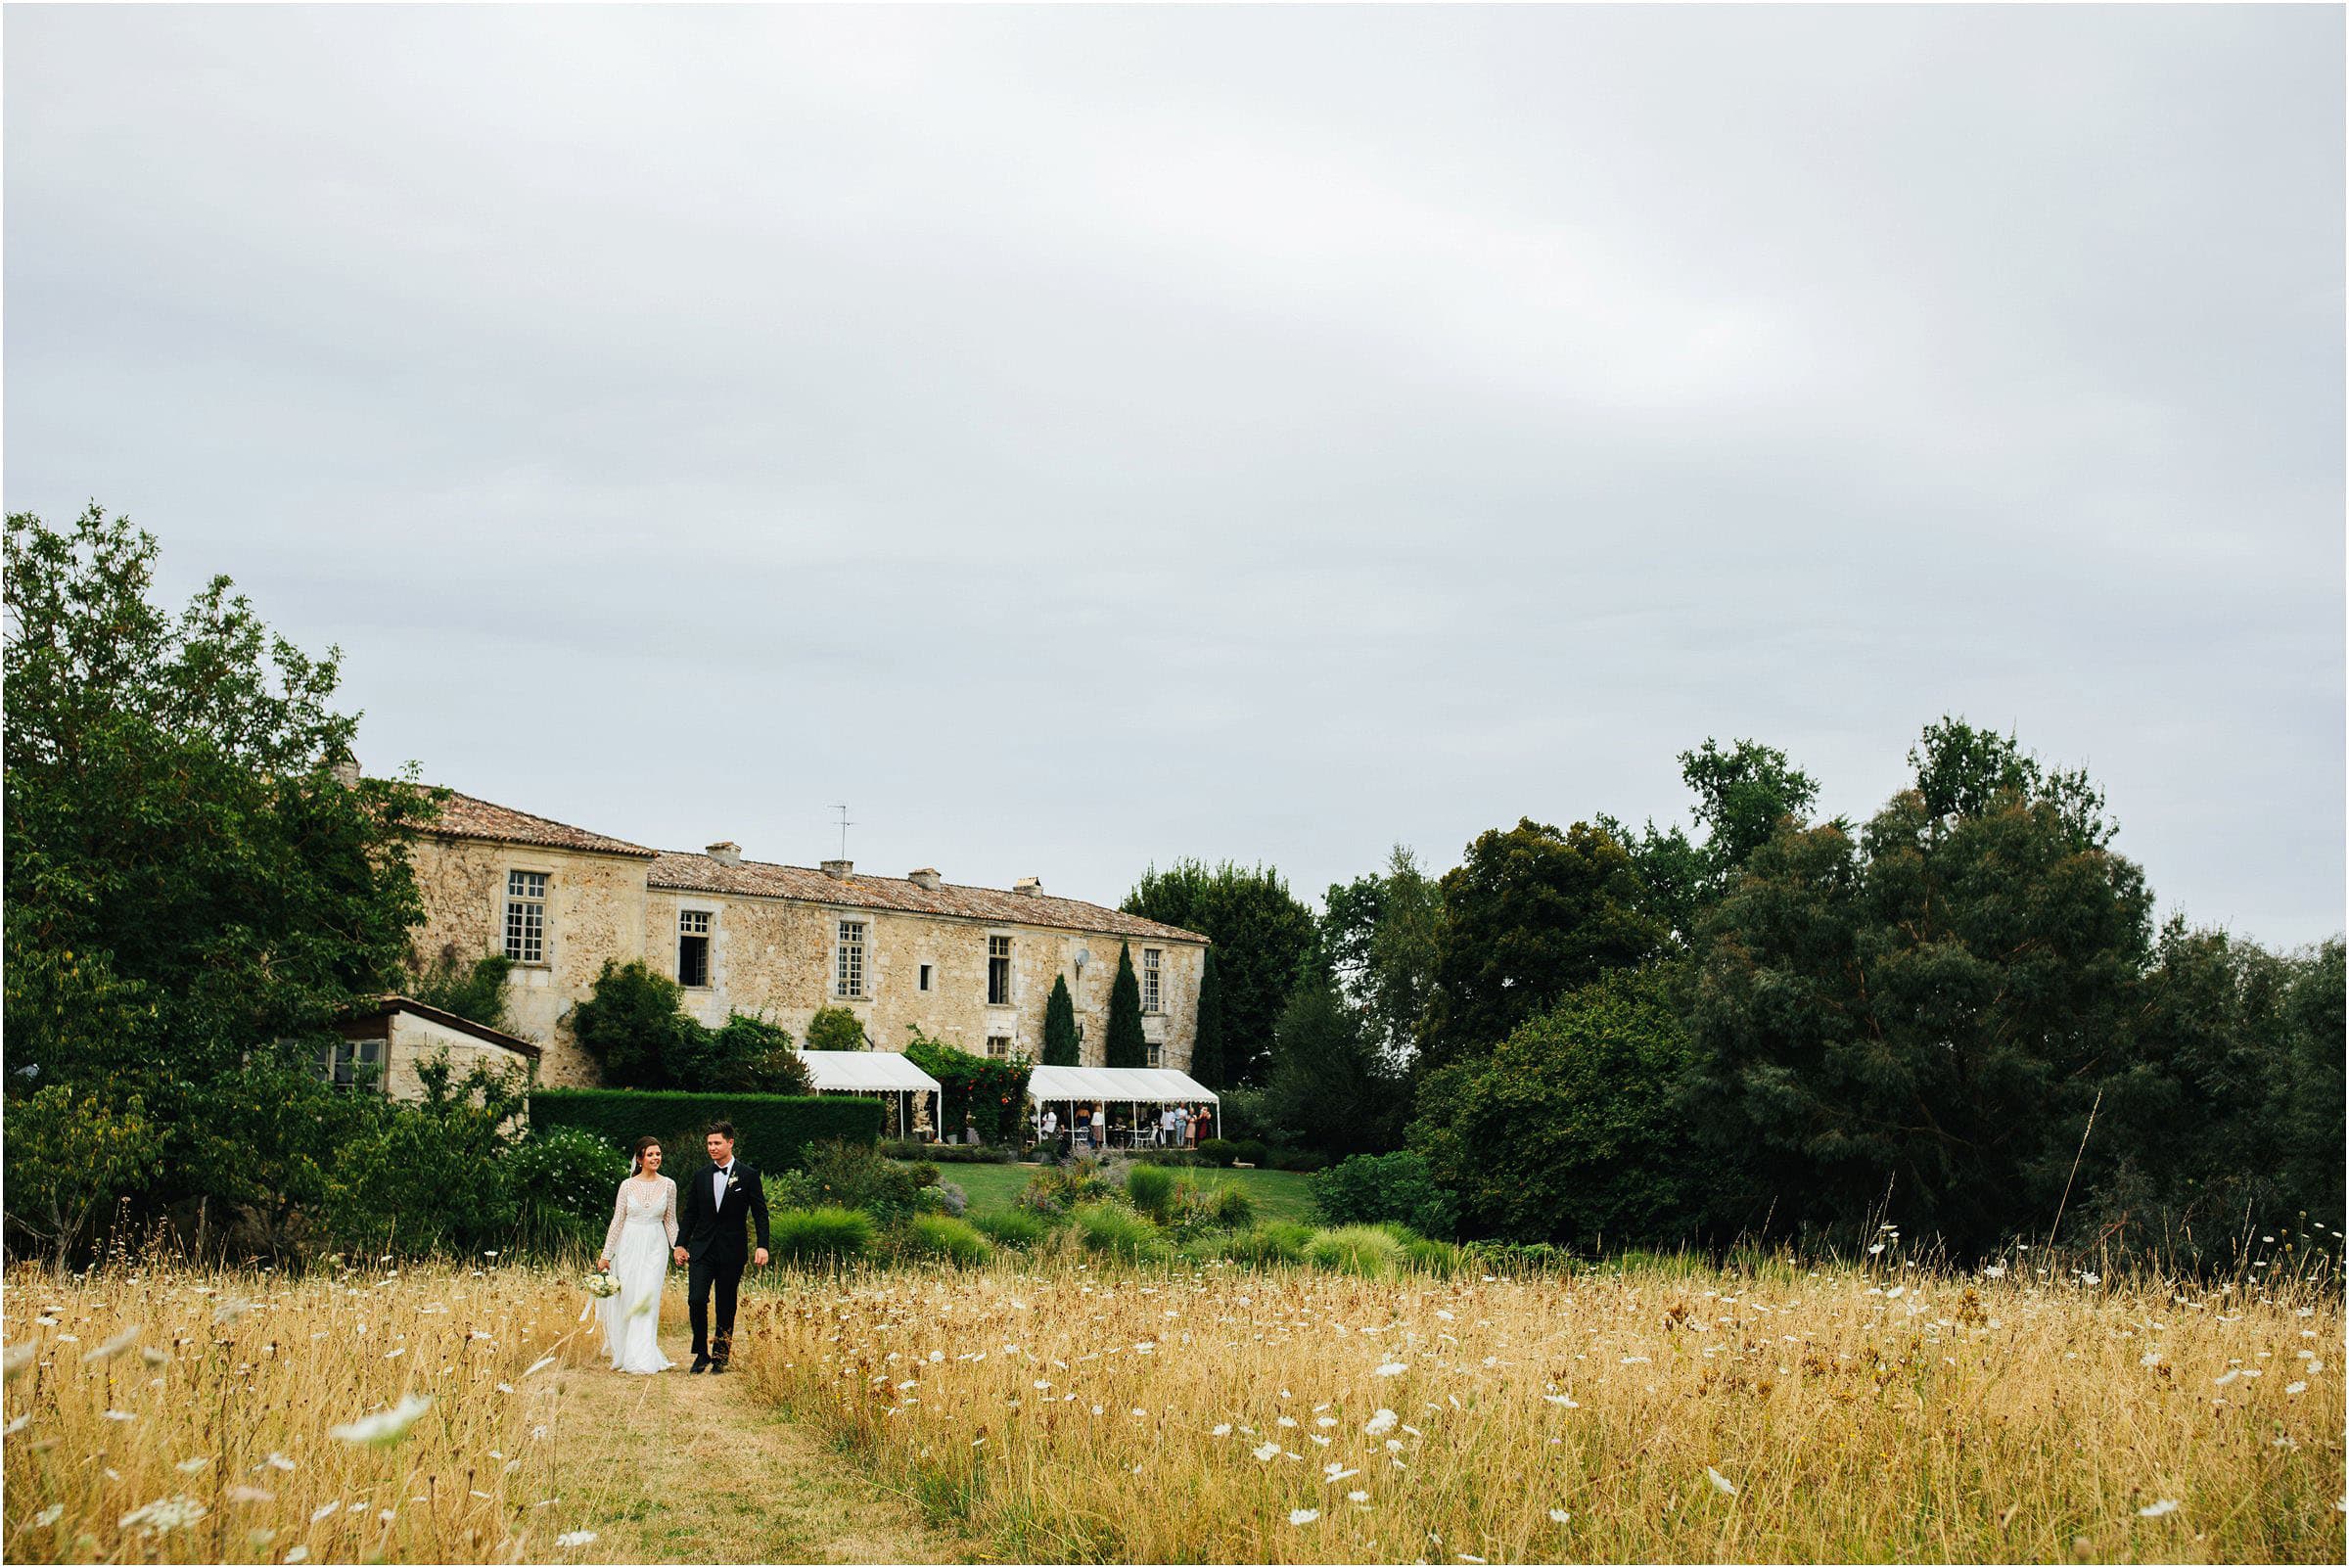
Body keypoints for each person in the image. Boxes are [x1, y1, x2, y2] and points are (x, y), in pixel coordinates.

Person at [672, 1121, 769, 1374]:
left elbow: (760, 1214)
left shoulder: (748, 1175)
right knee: (696, 1299)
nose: (712, 1148)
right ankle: (701, 1353)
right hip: (702, 1249)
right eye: (709, 1144)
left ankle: (720, 1356)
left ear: (730, 1143)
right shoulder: (701, 1175)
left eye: (717, 1143)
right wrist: (680, 1244)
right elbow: (690, 1214)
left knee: (726, 1303)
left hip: (731, 1250)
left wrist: (762, 1246)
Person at [595, 1136, 677, 1374]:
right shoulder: (627, 1186)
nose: (656, 1158)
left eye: (658, 1154)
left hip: (655, 1244)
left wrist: (678, 1248)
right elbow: (617, 1221)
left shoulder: (669, 1185)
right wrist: (606, 1254)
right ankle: (627, 1354)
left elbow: (670, 1220)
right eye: (650, 1154)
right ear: (639, 1159)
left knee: (647, 1299)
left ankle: (642, 1358)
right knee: (629, 1298)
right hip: (629, 1244)